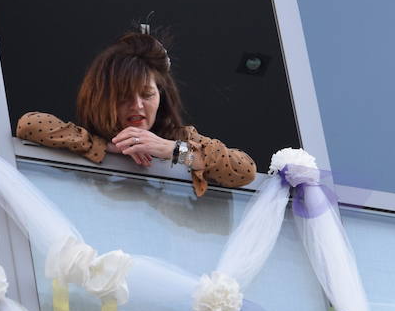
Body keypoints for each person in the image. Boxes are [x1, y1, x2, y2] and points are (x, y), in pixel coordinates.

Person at [16, 32, 256, 196]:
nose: (138, 106)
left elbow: (244, 171)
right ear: (103, 99)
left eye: (147, 95)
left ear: (161, 95)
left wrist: (171, 150)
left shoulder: (178, 137)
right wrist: (107, 147)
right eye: (124, 98)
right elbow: (30, 124)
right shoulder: (87, 136)